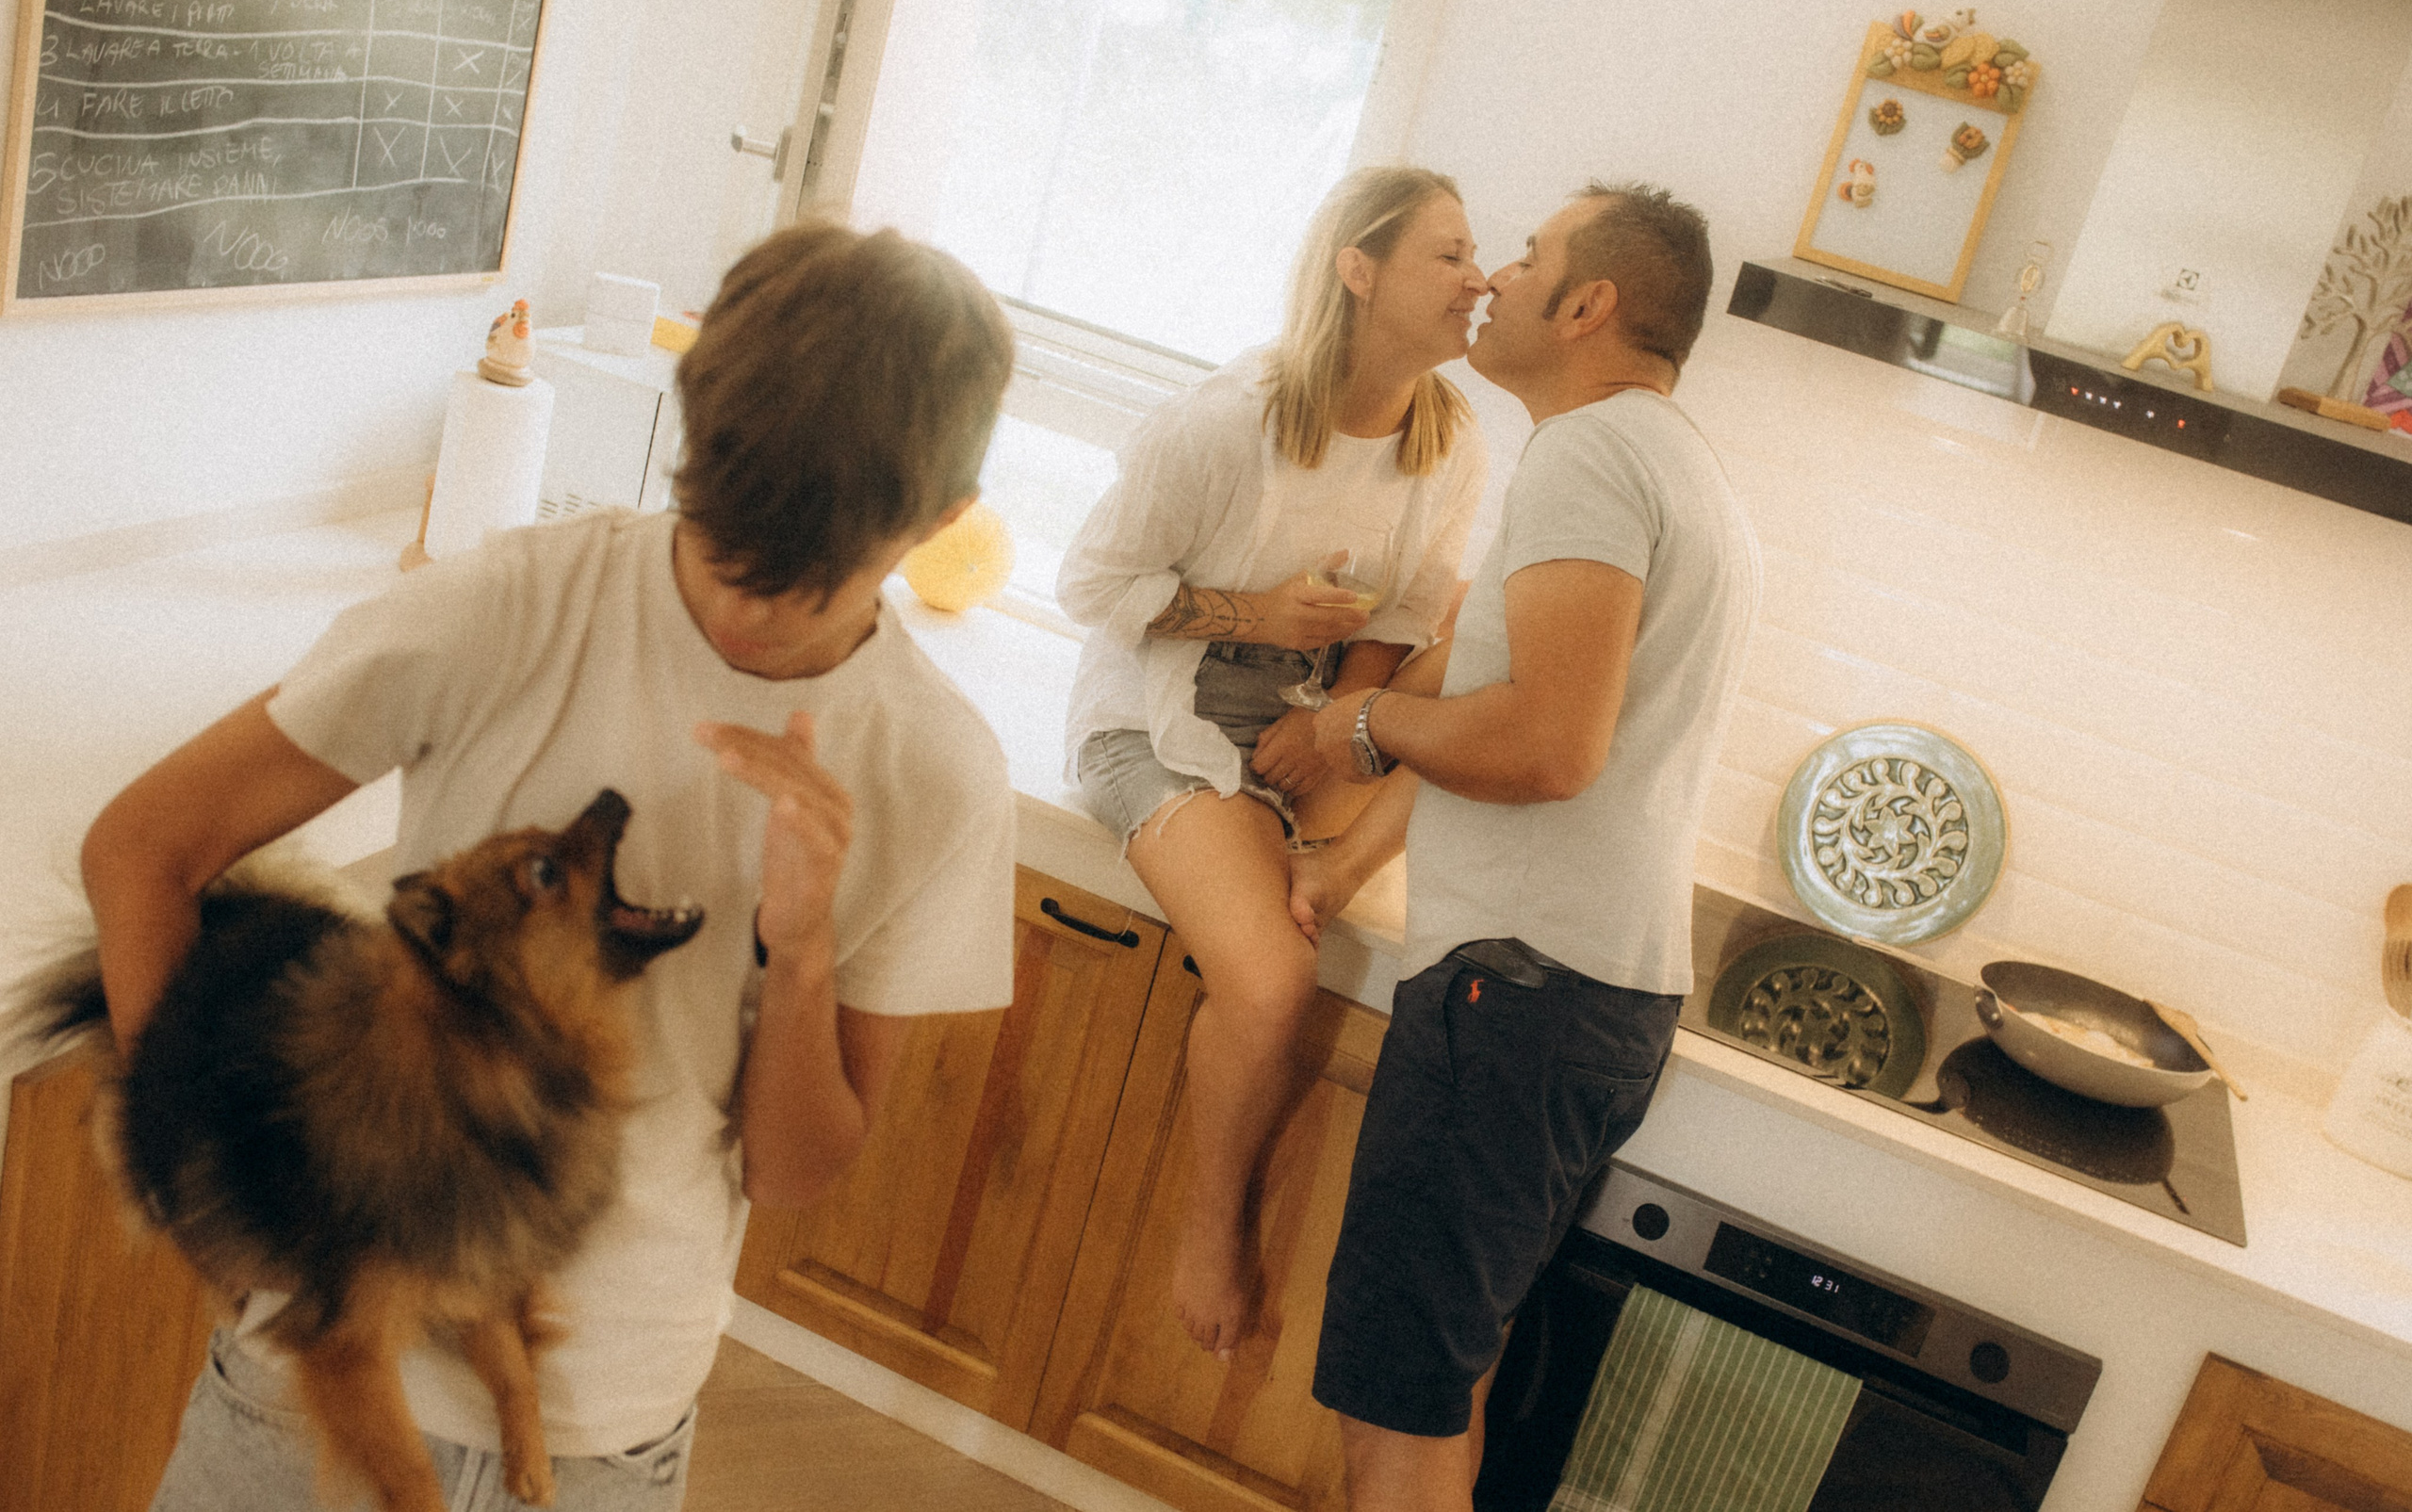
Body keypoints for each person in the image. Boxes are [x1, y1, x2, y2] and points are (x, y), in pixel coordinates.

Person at [82, 219, 1020, 1512]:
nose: (742, 610)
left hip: (608, 1427)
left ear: (944, 520)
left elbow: (794, 1172)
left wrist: (802, 951)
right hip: (316, 1395)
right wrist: (197, 1202)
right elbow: (143, 847)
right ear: (689, 439)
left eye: (802, 585)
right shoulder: (506, 607)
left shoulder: (939, 771)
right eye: (720, 541)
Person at [1294, 182, 1762, 1511]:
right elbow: (1507, 712)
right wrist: (1346, 857)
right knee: (1441, 1384)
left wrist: (1361, 721)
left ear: (1587, 304)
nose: (1495, 274)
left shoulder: (1589, 458)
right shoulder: (1675, 466)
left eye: (1530, 254)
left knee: (1395, 1407)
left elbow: (1548, 746)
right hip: (1588, 996)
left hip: (1519, 996)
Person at [1056, 166, 1489, 1358]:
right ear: (1359, 270)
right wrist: (1257, 616)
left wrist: (1336, 723)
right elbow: (1088, 586)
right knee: (1268, 978)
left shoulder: (1449, 442)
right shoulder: (1223, 424)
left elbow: (1405, 619)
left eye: (1476, 255)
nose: (1479, 279)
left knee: (1475, 636)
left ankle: (1324, 856)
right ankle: (1212, 1232)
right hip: (1157, 717)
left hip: (1304, 719)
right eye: (1449, 255)